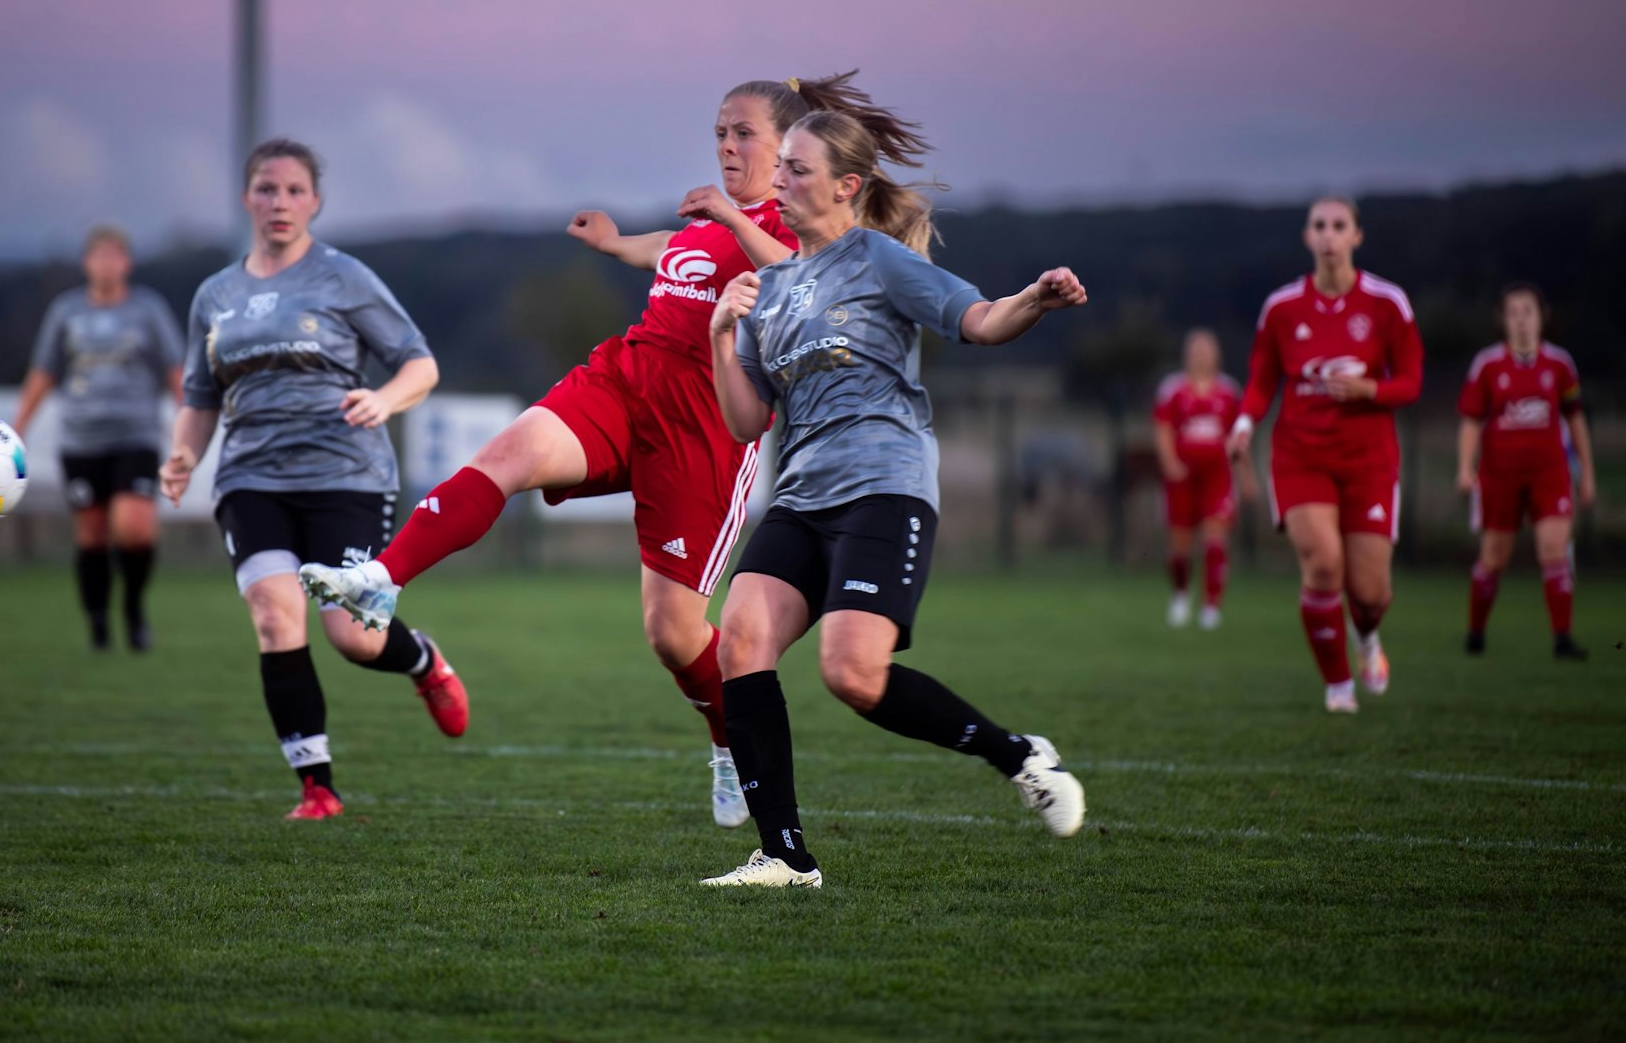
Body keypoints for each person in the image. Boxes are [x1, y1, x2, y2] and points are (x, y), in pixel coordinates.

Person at [304, 74, 897, 829]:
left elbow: (791, 279)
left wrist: (728, 215)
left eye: (742, 132)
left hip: (703, 428)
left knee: (672, 632)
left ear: (788, 148)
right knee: (506, 455)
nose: (726, 145)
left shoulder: (799, 224)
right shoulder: (713, 221)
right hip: (625, 379)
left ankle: (725, 739)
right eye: (719, 131)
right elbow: (676, 249)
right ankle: (381, 581)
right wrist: (620, 242)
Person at [699, 110, 1089, 888]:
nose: (780, 180)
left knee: (853, 674)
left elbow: (978, 320)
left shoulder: (878, 260)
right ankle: (784, 855)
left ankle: (1018, 754)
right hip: (801, 497)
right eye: (782, 168)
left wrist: (1034, 298)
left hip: (884, 488)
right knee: (739, 641)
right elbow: (747, 420)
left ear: (847, 186)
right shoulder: (768, 289)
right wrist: (718, 336)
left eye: (798, 170)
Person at [160, 139, 468, 821]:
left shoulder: (344, 278)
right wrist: (183, 455)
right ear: (247, 198)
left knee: (353, 637)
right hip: (251, 479)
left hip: (346, 476)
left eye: (295, 190)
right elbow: (200, 395)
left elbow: (420, 364)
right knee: (275, 617)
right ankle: (317, 786)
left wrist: (385, 400)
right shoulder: (215, 295)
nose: (280, 202)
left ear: (315, 202)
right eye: (267, 189)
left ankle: (421, 660)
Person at [1227, 197, 1422, 714]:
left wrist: (1368, 391)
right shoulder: (1282, 308)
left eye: (1340, 226)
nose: (1329, 235)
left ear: (1357, 236)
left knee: (1371, 594)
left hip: (1369, 460)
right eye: (1320, 226)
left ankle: (1367, 639)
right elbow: (1263, 379)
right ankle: (1338, 687)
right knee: (1323, 564)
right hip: (1301, 456)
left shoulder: (1388, 303)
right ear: (1307, 237)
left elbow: (1411, 381)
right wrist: (1245, 423)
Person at [13, 225, 185, 652]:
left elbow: (174, 369)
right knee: (91, 535)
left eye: (115, 256)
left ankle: (133, 607)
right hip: (81, 440)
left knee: (135, 529)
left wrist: (188, 423)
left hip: (136, 436)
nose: (107, 264)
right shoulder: (67, 312)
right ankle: (97, 622)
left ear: (126, 263)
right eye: (99, 256)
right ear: (87, 263)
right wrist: (17, 427)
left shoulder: (148, 310)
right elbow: (45, 371)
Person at [1457, 283, 1595, 660]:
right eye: (1513, 312)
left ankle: (1562, 638)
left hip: (1550, 472)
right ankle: (1476, 632)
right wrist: (1464, 467)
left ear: (1541, 317)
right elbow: (1471, 420)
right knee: (1494, 557)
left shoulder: (1559, 365)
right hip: (1499, 475)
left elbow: (1575, 418)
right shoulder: (1487, 365)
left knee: (1554, 552)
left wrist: (1588, 473)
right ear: (1503, 319)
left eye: (1528, 311)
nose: (1521, 320)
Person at [1152, 329, 1247, 630]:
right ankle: (1180, 596)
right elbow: (1163, 427)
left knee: (1215, 538)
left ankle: (1211, 606)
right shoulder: (1173, 389)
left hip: (1217, 475)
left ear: (1216, 354)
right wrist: (1169, 462)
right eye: (1196, 349)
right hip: (1183, 475)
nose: (1201, 355)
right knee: (1180, 546)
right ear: (1187, 354)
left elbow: (1238, 436)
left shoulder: (1229, 391)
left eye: (1207, 349)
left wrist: (1246, 475)